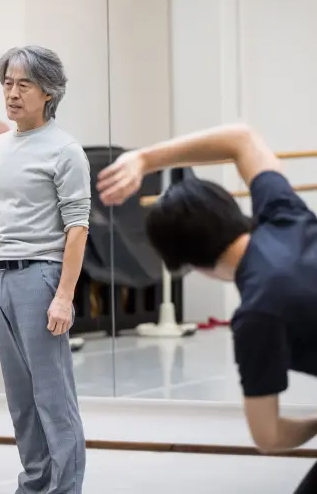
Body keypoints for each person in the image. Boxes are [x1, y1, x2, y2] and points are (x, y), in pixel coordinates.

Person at [96, 123, 317, 494]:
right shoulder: (285, 216)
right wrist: (143, 159)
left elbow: (269, 436)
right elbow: (241, 138)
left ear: (189, 264)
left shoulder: (258, 315)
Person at [0, 45, 89, 494]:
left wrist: (63, 295)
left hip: (41, 277)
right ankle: (35, 484)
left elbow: (77, 228)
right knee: (21, 401)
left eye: (24, 85)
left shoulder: (65, 151)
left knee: (53, 399)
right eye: (7, 83)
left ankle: (65, 488)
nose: (12, 93)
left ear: (49, 93)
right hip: (2, 276)